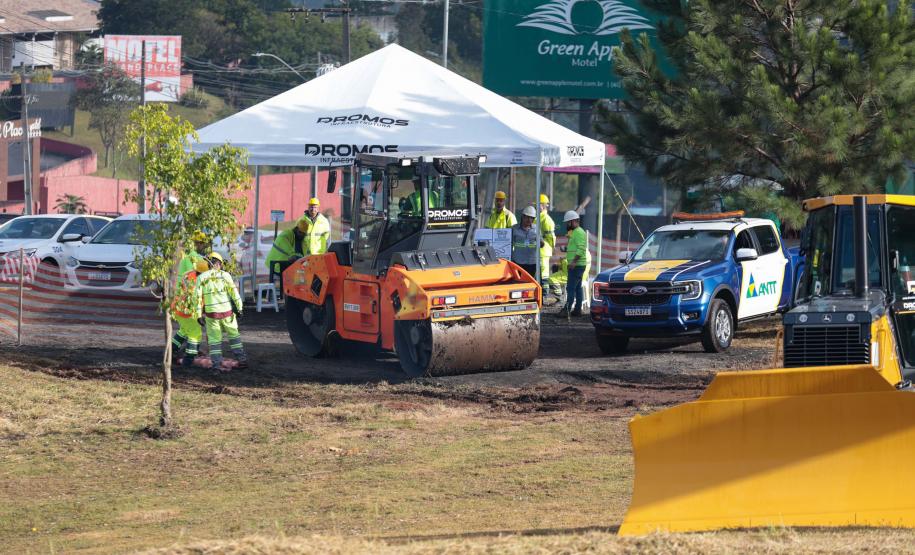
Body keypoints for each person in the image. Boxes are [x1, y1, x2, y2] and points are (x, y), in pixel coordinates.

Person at [196, 252, 247, 371]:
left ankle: (216, 366)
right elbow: (234, 293)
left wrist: (198, 314)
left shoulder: (201, 278)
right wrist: (240, 308)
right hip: (228, 313)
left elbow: (197, 298)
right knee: (234, 337)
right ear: (218, 263)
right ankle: (242, 360)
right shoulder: (225, 276)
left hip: (211, 315)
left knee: (214, 342)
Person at [171, 258, 208, 367]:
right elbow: (198, 299)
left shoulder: (188, 275)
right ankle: (189, 358)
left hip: (178, 309)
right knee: (195, 334)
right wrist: (201, 314)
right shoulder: (200, 281)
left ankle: (171, 350)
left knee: (183, 330)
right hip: (189, 312)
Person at [559, 210, 591, 318]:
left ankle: (567, 310)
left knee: (570, 288)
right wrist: (566, 249)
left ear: (573, 221)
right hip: (578, 265)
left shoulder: (579, 233)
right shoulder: (576, 233)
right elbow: (576, 247)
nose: (567, 225)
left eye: (568, 223)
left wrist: (573, 262)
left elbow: (581, 249)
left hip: (576, 266)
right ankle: (577, 310)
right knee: (577, 288)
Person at [265, 217, 309, 283]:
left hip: (287, 267)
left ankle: (296, 291)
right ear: (296, 229)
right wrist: (293, 255)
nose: (302, 235)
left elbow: (304, 255)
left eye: (304, 234)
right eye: (300, 232)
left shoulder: (303, 242)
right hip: (277, 266)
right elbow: (283, 242)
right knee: (295, 281)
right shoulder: (287, 233)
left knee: (302, 280)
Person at [511, 206, 540, 278]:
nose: (529, 220)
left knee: (531, 284)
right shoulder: (514, 229)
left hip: (532, 263)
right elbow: (509, 244)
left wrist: (541, 243)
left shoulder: (536, 229)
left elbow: (541, 243)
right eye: (527, 217)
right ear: (523, 216)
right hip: (518, 262)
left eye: (532, 218)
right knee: (518, 284)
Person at [538, 194, 556, 286]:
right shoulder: (538, 217)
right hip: (538, 251)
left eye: (539, 204)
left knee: (544, 274)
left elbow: (551, 238)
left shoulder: (546, 219)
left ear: (544, 205)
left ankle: (544, 295)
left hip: (543, 251)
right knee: (540, 274)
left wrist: (551, 247)